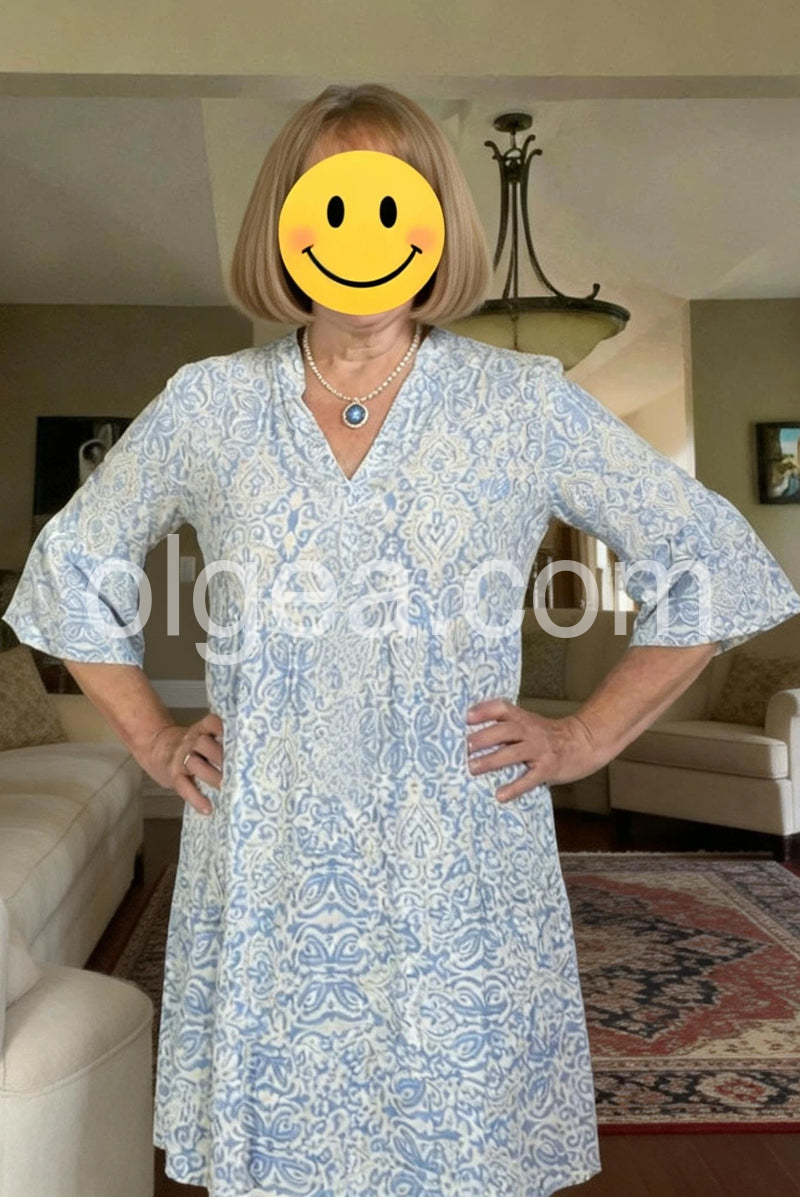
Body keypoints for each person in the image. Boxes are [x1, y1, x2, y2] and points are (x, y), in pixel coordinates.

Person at [5, 82, 800, 1198]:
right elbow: (69, 570)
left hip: (457, 853)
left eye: (392, 199)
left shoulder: (522, 401)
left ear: (436, 224)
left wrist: (586, 740)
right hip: (270, 850)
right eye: (330, 199)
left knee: (456, 1152)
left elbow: (709, 561)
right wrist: (149, 736)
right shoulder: (207, 405)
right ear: (283, 221)